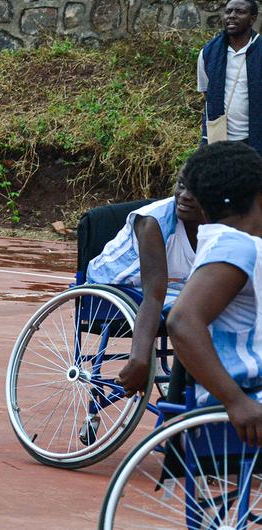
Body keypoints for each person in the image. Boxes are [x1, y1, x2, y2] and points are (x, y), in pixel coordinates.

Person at [167, 141, 262, 446]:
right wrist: (235, 401)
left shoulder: (227, 241)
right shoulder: (237, 246)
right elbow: (182, 321)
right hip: (248, 391)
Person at [86, 174, 207, 394]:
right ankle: (181, 395)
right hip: (115, 284)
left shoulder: (226, 224)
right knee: (192, 314)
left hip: (166, 285)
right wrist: (140, 360)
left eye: (196, 191)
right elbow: (153, 295)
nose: (185, 196)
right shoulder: (154, 222)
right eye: (181, 185)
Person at [198, 0, 261, 153]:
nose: (232, 16)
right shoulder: (208, 52)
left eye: (239, 12)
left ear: (252, 19)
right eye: (228, 11)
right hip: (218, 139)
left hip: (255, 140)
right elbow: (207, 92)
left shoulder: (259, 50)